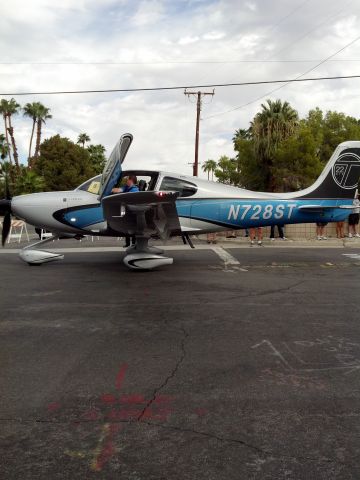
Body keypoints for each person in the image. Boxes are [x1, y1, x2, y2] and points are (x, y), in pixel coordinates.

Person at [112, 175, 139, 247]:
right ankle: (128, 243)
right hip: (126, 211)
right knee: (126, 227)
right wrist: (110, 189)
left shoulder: (135, 190)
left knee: (132, 228)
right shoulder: (127, 187)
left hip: (132, 212)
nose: (126, 181)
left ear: (131, 180)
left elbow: (129, 200)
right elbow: (118, 190)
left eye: (127, 180)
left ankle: (134, 244)